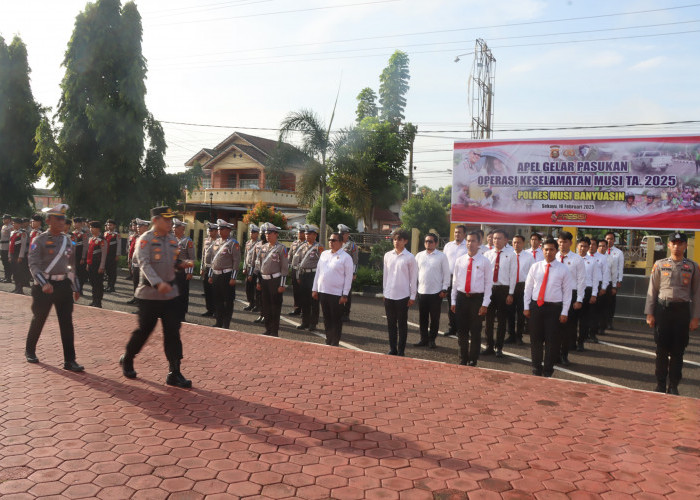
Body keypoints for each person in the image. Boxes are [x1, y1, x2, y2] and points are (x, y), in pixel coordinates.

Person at [120, 206, 194, 388]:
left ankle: (174, 372)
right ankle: (128, 358)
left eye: (171, 220)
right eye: (166, 220)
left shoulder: (172, 240)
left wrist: (181, 264)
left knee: (173, 333)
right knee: (144, 331)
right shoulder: (145, 240)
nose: (170, 223)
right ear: (155, 221)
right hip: (150, 295)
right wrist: (157, 283)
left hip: (169, 295)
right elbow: (144, 264)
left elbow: (172, 261)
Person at [24, 204, 84, 372]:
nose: (61, 222)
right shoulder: (39, 240)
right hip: (44, 287)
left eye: (63, 219)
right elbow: (33, 265)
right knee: (39, 319)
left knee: (67, 323)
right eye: (58, 219)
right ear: (48, 220)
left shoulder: (67, 240)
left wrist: (76, 287)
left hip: (63, 286)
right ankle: (30, 350)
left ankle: (70, 360)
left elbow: (71, 265)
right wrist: (44, 283)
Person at [645, 232, 700, 395]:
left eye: (680, 243)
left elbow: (697, 293)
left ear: (685, 246)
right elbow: (652, 290)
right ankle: (661, 384)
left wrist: (695, 317)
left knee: (678, 350)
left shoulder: (693, 267)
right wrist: (650, 313)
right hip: (663, 311)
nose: (677, 246)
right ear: (668, 245)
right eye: (673, 243)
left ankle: (674, 385)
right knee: (661, 349)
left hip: (682, 312)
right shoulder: (660, 264)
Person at [524, 238, 572, 377]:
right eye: (546, 249)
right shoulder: (535, 266)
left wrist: (564, 312)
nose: (548, 252)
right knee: (535, 340)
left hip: (554, 309)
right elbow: (528, 289)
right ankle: (536, 368)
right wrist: (526, 306)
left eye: (551, 249)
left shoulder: (563, 269)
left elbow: (567, 293)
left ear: (556, 251)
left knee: (552, 341)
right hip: (536, 307)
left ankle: (548, 370)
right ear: (542, 250)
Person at [451, 231, 493, 366]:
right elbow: (455, 283)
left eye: (473, 241)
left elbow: (488, 284)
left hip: (477, 300)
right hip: (462, 298)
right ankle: (463, 357)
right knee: (461, 331)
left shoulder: (485, 261)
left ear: (479, 243)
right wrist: (453, 301)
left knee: (475, 331)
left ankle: (473, 359)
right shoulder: (460, 260)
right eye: (468, 241)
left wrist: (485, 304)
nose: (470, 243)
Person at [312, 232, 353, 346]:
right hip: (323, 291)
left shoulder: (346, 257)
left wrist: (345, 294)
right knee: (326, 317)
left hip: (337, 293)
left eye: (334, 240)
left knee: (336, 319)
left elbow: (348, 277)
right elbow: (318, 272)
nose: (331, 242)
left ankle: (335, 341)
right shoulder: (324, 254)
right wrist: (314, 289)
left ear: (340, 242)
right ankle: (328, 339)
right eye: (329, 239)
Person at [383, 229, 417, 356]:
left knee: (402, 325)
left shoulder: (410, 258)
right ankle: (393, 349)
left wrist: (412, 296)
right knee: (391, 324)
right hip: (389, 295)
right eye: (395, 239)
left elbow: (413, 278)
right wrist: (384, 292)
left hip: (403, 296)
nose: (396, 242)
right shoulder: (387, 255)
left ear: (405, 241)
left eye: (400, 240)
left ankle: (401, 350)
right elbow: (385, 276)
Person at [483, 229, 517, 357]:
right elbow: (484, 274)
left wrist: (511, 293)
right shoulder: (487, 254)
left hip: (504, 289)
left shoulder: (511, 254)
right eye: (494, 238)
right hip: (490, 289)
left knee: (502, 320)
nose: (496, 240)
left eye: (499, 238)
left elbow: (513, 276)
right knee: (489, 320)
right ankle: (489, 346)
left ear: (505, 240)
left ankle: (499, 348)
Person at [414, 232, 450, 348]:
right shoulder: (419, 256)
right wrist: (413, 290)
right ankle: (423, 339)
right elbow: (414, 274)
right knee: (423, 318)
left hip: (436, 293)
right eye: (426, 241)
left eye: (430, 241)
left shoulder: (442, 256)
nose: (428, 243)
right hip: (422, 291)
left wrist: (444, 289)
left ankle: (432, 339)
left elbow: (446, 274)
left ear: (436, 243)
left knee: (434, 318)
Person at [556, 231, 585, 366]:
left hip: (571, 294)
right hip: (555, 294)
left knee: (567, 327)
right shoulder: (553, 256)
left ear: (571, 243)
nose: (562, 245)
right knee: (554, 327)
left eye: (565, 242)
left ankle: (564, 354)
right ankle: (553, 353)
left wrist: (579, 299)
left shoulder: (577, 259)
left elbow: (581, 280)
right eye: (560, 242)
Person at [255, 223, 288, 337]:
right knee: (266, 306)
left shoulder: (281, 248)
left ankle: (274, 331)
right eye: (266, 233)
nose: (267, 235)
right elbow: (258, 265)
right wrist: (258, 281)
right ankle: (268, 329)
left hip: (275, 280)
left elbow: (284, 267)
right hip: (264, 280)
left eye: (270, 233)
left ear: (276, 234)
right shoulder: (263, 248)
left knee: (275, 307)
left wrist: (282, 284)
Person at [208, 219, 241, 329]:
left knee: (228, 300)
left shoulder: (233, 243)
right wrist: (210, 274)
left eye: (221, 229)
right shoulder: (216, 242)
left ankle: (226, 323)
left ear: (228, 230)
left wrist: (233, 277)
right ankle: (219, 321)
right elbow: (213, 259)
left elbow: (236, 261)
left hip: (227, 275)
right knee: (217, 300)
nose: (219, 231)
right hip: (216, 274)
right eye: (218, 229)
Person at [506, 234, 535, 345]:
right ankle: (511, 335)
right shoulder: (508, 256)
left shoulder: (529, 257)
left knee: (521, 312)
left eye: (518, 242)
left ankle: (519, 336)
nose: (516, 245)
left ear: (523, 243)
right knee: (510, 312)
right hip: (510, 286)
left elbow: (532, 274)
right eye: (514, 242)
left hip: (523, 286)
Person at [295, 224, 323, 331]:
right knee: (304, 300)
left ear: (315, 235)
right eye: (306, 234)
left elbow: (322, 263)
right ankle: (304, 322)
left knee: (313, 301)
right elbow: (298, 262)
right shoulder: (302, 247)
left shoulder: (318, 247)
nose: (307, 236)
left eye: (310, 234)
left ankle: (313, 323)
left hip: (313, 275)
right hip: (303, 275)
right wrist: (298, 275)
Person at [443, 225, 468, 336]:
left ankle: (461, 329)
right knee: (451, 304)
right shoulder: (448, 246)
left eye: (459, 232)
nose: (457, 234)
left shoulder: (467, 246)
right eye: (456, 232)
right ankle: (452, 327)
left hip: (462, 278)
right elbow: (443, 262)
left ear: (464, 234)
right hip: (449, 277)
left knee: (461, 304)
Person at [577, 237, 601, 351]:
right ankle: (571, 342)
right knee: (571, 319)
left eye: (585, 246)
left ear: (588, 248)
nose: (583, 248)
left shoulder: (592, 261)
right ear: (577, 246)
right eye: (581, 246)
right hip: (573, 290)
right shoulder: (572, 259)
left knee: (584, 319)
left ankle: (581, 341)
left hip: (587, 291)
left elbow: (596, 279)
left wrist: (594, 294)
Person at [587, 237, 610, 344]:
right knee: (584, 313)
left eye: (593, 244)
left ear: (597, 246)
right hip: (584, 286)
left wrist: (604, 287)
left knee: (594, 312)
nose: (591, 246)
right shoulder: (581, 256)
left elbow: (606, 273)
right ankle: (583, 333)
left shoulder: (602, 258)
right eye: (589, 244)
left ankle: (592, 334)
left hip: (597, 286)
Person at [173, 219, 196, 321]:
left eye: (175, 228)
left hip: (183, 271)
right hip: (173, 270)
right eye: (173, 227)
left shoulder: (188, 241)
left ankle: (182, 314)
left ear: (181, 229)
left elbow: (191, 257)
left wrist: (190, 272)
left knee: (182, 293)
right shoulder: (171, 240)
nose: (173, 229)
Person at [604, 231, 624, 329]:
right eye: (607, 239)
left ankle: (609, 322)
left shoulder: (618, 253)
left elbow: (620, 268)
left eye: (611, 239)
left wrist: (619, 280)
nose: (609, 241)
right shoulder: (600, 251)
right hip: (602, 281)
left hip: (612, 281)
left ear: (614, 240)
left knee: (611, 303)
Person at [338, 224, 359, 322]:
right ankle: (339, 312)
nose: (342, 235)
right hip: (338, 272)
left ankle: (346, 313)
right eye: (340, 234)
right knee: (338, 292)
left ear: (347, 234)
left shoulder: (352, 245)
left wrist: (354, 273)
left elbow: (355, 260)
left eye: (344, 234)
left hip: (348, 273)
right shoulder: (337, 244)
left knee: (347, 294)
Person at [127, 219, 149, 304]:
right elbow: (132, 250)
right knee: (135, 282)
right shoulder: (136, 237)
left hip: (143, 265)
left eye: (140, 226)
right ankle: (136, 298)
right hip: (135, 264)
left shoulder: (148, 238)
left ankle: (141, 302)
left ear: (146, 227)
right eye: (137, 226)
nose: (138, 228)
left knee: (142, 285)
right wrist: (130, 261)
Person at [86, 221, 108, 307]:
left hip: (98, 265)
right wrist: (88, 264)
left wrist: (102, 266)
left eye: (92, 227)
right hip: (91, 264)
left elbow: (104, 254)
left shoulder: (102, 240)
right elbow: (89, 252)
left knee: (98, 283)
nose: (90, 229)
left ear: (98, 229)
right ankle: (94, 300)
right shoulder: (91, 239)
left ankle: (98, 302)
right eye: (90, 227)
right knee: (93, 283)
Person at [200, 223, 219, 317]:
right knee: (207, 290)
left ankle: (216, 310)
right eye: (209, 230)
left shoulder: (220, 241)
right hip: (207, 267)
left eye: (211, 230)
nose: (209, 232)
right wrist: (201, 267)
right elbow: (203, 255)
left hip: (215, 269)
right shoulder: (206, 240)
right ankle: (210, 309)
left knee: (215, 290)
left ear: (216, 231)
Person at [288, 225, 306, 316]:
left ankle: (304, 310)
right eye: (299, 232)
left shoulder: (308, 244)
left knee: (303, 290)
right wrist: (288, 268)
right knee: (296, 290)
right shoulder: (294, 243)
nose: (300, 234)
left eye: (302, 232)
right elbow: (289, 256)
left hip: (303, 270)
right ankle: (297, 308)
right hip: (295, 269)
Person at [9, 216, 29, 294]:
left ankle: (20, 289)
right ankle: (16, 287)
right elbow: (10, 245)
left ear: (19, 224)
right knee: (14, 272)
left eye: (15, 224)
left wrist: (20, 256)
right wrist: (9, 256)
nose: (14, 225)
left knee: (19, 272)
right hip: (12, 254)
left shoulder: (22, 233)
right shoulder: (12, 232)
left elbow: (23, 246)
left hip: (18, 255)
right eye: (13, 223)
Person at [243, 224, 260, 311]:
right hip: (248, 267)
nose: (251, 233)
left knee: (255, 287)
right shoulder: (248, 243)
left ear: (257, 234)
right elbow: (245, 255)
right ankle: (251, 303)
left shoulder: (259, 244)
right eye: (250, 232)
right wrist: (244, 267)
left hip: (256, 268)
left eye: (253, 232)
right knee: (248, 287)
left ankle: (257, 305)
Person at [71, 217, 89, 294]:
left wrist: (83, 257)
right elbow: (72, 244)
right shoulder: (73, 233)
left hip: (80, 255)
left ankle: (80, 288)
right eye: (74, 223)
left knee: (80, 273)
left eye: (77, 223)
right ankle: (74, 287)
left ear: (81, 224)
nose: (75, 224)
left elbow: (85, 246)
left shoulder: (84, 234)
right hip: (73, 255)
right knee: (73, 272)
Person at [103, 219, 121, 292]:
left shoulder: (117, 235)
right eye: (108, 225)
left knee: (112, 271)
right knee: (107, 271)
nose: (109, 226)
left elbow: (119, 245)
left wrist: (117, 254)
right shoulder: (105, 234)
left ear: (114, 226)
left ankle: (112, 286)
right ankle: (108, 285)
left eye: (110, 225)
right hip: (106, 255)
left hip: (113, 255)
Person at [1, 214, 13, 283]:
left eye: (5, 219)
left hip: (7, 247)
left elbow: (11, 238)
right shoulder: (3, 226)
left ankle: (8, 278)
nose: (3, 220)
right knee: (4, 263)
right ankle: (6, 277)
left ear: (8, 219)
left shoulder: (11, 227)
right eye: (3, 218)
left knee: (7, 263)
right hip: (2, 247)